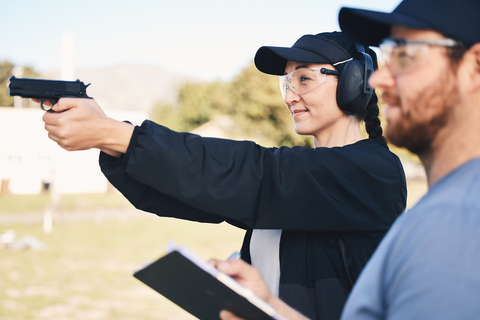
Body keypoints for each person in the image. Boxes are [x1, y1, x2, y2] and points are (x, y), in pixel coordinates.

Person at [41, 32, 407, 320]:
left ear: (356, 81)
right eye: (287, 83)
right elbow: (194, 189)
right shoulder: (289, 188)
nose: (291, 95)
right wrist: (111, 142)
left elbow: (258, 175)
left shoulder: (373, 173)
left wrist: (117, 134)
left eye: (305, 79)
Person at [213, 0, 480, 319]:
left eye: (405, 56)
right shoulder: (433, 217)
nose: (379, 80)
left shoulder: (458, 216)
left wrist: (139, 143)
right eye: (287, 82)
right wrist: (269, 307)